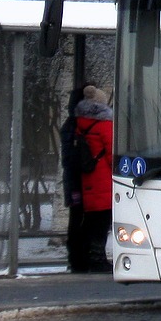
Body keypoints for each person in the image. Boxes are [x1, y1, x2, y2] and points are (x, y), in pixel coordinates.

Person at [74, 84, 114, 273]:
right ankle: (98, 259)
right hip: (103, 178)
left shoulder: (81, 123)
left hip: (88, 178)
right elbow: (113, 153)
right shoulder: (105, 124)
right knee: (102, 220)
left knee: (92, 220)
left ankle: (89, 257)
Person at [59, 84, 89, 273]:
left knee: (77, 217)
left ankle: (77, 257)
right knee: (79, 218)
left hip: (74, 179)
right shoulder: (75, 126)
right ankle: (77, 258)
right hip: (77, 179)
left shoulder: (70, 124)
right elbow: (71, 157)